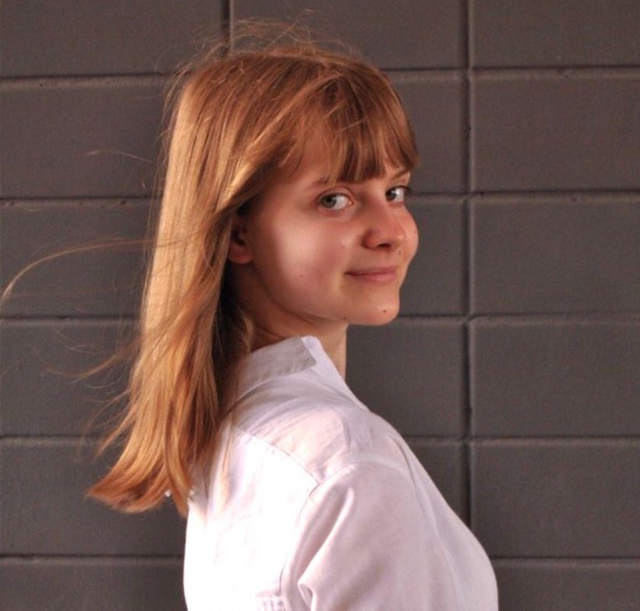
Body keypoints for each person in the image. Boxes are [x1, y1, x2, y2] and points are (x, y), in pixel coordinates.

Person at [90, 34, 498, 610]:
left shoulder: (241, 431)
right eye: (334, 199)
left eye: (395, 190)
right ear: (238, 232)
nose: (391, 231)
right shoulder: (350, 463)